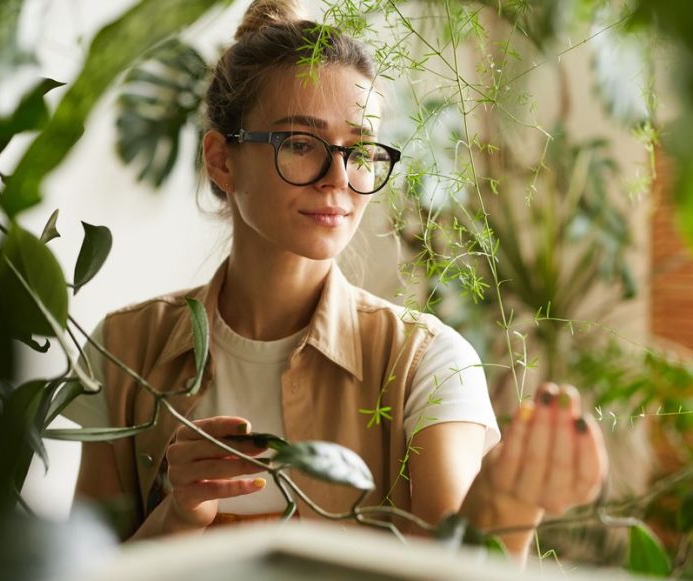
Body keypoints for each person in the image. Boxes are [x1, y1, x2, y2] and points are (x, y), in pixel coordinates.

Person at [63, 0, 607, 566]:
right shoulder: (126, 349)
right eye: (301, 144)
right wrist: (177, 517)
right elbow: (78, 571)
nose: (338, 179)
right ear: (221, 160)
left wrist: (507, 499)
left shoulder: (428, 363)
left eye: (361, 150)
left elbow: (450, 574)